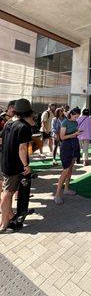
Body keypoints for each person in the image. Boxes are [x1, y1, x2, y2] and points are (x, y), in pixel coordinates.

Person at [0, 99, 34, 233]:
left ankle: (8, 217)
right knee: (7, 194)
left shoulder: (10, 123)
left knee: (6, 192)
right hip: (14, 166)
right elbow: (22, 149)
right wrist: (26, 165)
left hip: (5, 162)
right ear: (29, 112)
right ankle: (3, 223)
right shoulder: (23, 127)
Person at [54, 107, 81, 205]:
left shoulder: (75, 122)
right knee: (65, 170)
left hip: (74, 145)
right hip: (66, 147)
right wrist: (74, 134)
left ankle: (66, 189)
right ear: (71, 114)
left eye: (77, 117)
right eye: (75, 116)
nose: (76, 118)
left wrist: (77, 133)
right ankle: (57, 194)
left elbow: (75, 132)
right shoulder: (65, 122)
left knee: (70, 168)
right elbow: (62, 137)